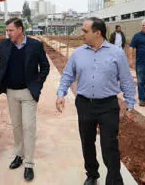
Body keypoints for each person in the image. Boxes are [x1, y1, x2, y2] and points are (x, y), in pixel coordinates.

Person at [0, 17, 50, 181]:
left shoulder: (35, 45)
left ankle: (29, 164)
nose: (8, 33)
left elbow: (45, 67)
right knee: (17, 126)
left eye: (10, 30)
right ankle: (19, 155)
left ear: (20, 29)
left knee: (29, 127)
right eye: (7, 30)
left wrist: (38, 85)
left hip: (28, 94)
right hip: (11, 93)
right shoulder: (5, 44)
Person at [56, 17, 135, 185]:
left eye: (85, 31)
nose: (81, 34)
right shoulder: (78, 53)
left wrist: (130, 105)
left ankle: (114, 180)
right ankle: (92, 174)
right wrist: (61, 94)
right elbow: (68, 75)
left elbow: (126, 80)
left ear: (97, 33)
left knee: (109, 145)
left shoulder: (116, 53)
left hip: (108, 105)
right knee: (87, 142)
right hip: (84, 104)